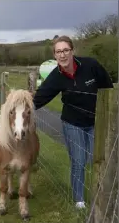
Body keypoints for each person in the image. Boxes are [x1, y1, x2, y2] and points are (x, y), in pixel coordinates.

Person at [32, 35, 113, 209]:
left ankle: (103, 195)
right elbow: (39, 98)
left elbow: (108, 88)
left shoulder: (91, 66)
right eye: (58, 51)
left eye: (65, 50)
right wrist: (18, 107)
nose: (62, 55)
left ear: (72, 51)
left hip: (96, 122)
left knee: (97, 158)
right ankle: (79, 201)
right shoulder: (56, 77)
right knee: (79, 160)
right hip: (72, 123)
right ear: (54, 55)